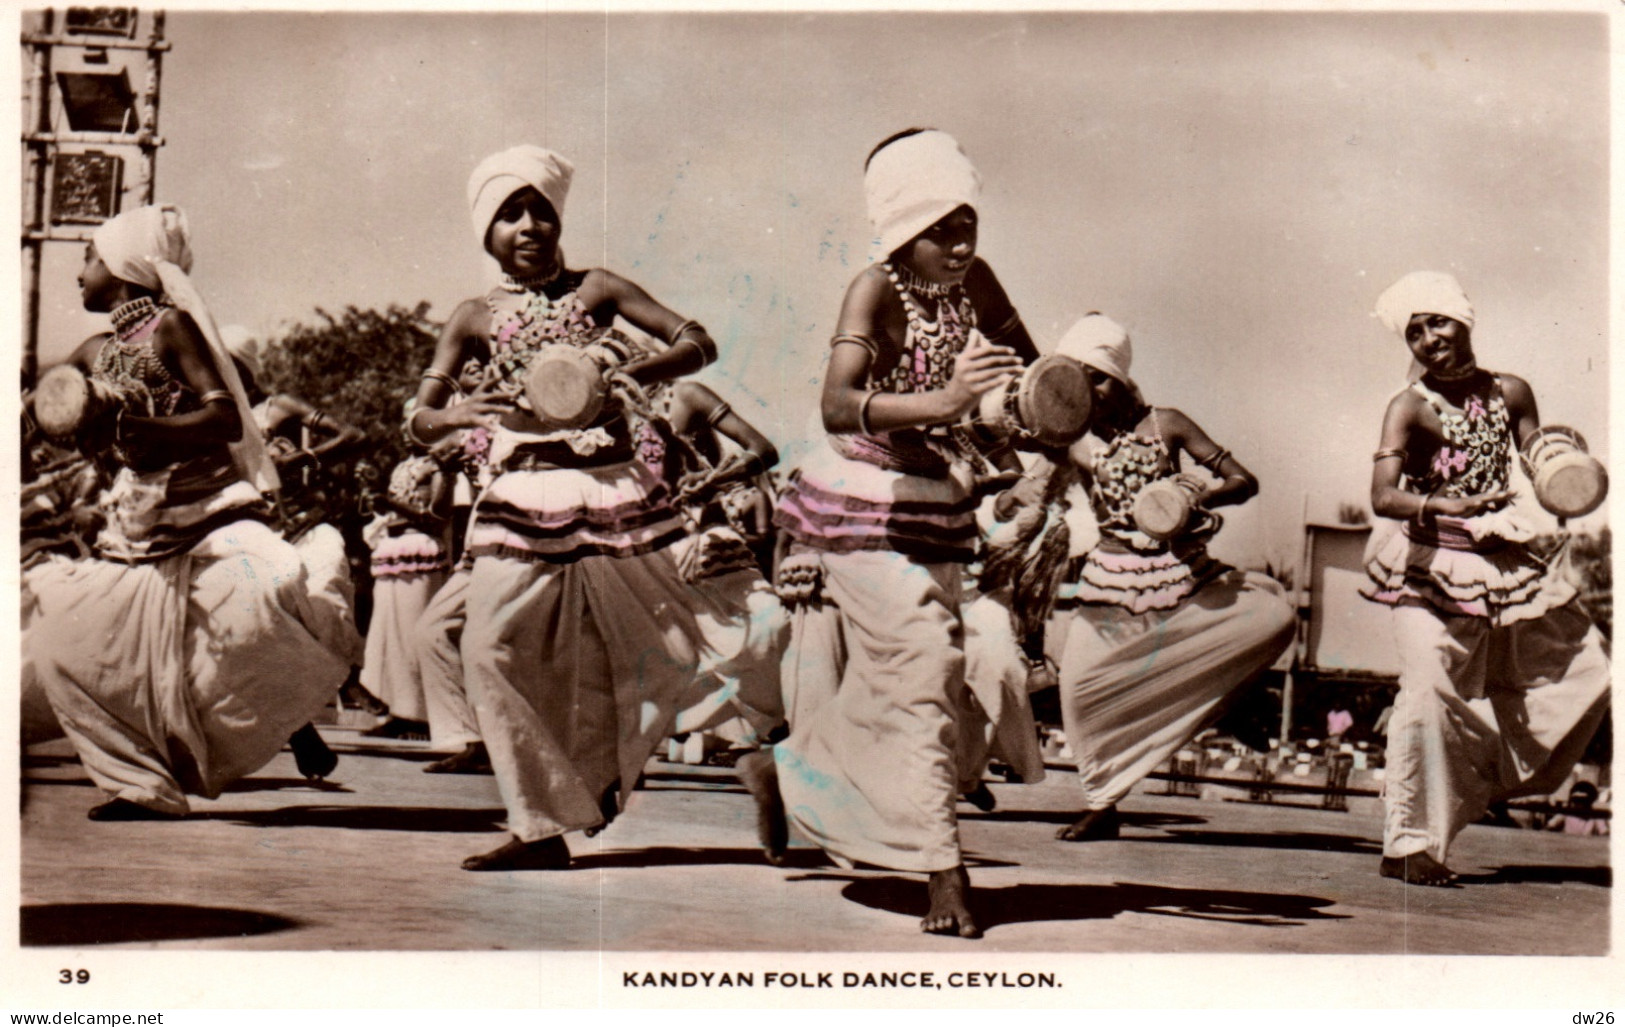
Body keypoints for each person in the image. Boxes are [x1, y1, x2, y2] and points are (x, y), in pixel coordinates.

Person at [740, 128, 1039, 939]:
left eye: (968, 222)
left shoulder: (978, 283)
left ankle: (793, 771)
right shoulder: (871, 288)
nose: (960, 241)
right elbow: (838, 406)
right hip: (859, 497)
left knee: (917, 679)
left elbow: (1031, 376)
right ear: (903, 228)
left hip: (938, 504)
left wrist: (1029, 415)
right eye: (941, 227)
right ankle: (943, 868)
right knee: (926, 660)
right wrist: (946, 402)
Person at [408, 145, 721, 870]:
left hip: (613, 489)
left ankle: (599, 778)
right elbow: (416, 416)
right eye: (509, 214)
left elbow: (697, 341)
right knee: (488, 648)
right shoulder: (471, 317)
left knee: (670, 648)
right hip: (522, 494)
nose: (528, 225)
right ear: (484, 232)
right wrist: (456, 417)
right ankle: (538, 821)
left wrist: (626, 366)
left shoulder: (597, 290)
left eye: (541, 211)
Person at [23, 204, 353, 819]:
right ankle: (138, 781)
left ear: (122, 267)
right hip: (136, 532)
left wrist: (139, 424)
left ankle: (281, 716)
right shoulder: (95, 348)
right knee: (63, 645)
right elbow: (43, 407)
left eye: (90, 258)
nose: (80, 273)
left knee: (278, 590)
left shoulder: (171, 328)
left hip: (208, 514)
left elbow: (226, 417)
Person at [1001, 313, 1295, 843]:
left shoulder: (1168, 423)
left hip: (1179, 573)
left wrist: (1193, 494)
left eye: (1101, 376)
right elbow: (1034, 487)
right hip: (1111, 578)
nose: (1091, 389)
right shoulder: (1069, 436)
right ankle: (1103, 802)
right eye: (1078, 377)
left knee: (1274, 616)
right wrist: (1014, 498)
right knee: (1079, 687)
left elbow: (1242, 480)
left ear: (1123, 377)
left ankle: (1225, 701)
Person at [1361, 270, 1610, 886]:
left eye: (1436, 322)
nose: (1427, 338)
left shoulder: (1513, 392)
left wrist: (1564, 475)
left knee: (1588, 669)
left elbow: (1537, 457)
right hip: (1424, 564)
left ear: (1463, 321)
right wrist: (1439, 506)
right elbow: (1382, 497)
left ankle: (1479, 779)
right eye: (1414, 332)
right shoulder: (1409, 407)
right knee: (1425, 690)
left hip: (1502, 564)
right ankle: (1408, 845)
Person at [640, 378, 787, 755]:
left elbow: (764, 451)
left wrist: (714, 480)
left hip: (710, 546)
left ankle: (765, 720)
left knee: (769, 624)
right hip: (647, 557)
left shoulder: (683, 396)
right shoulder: (580, 407)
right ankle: (641, 739)